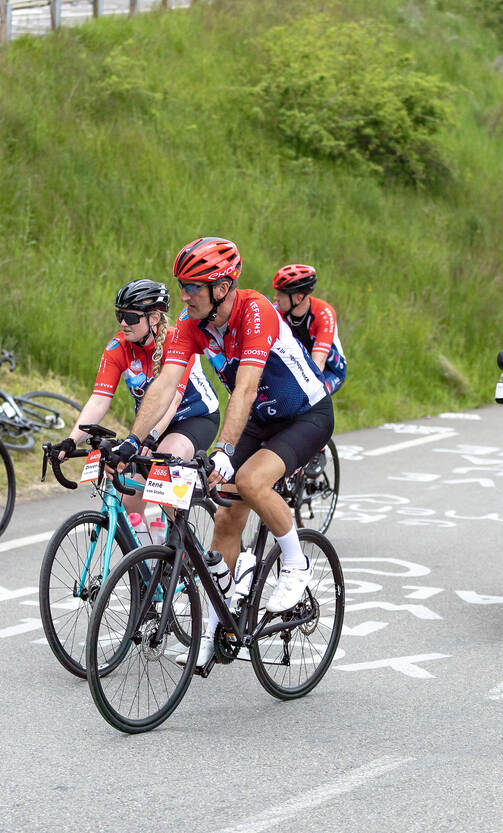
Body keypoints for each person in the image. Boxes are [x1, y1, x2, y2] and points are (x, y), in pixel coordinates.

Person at [108, 237, 333, 666]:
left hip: (305, 415)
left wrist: (225, 450)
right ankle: (214, 630)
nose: (183, 295)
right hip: (258, 419)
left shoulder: (256, 311)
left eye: (192, 287)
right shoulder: (190, 324)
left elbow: (245, 389)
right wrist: (134, 440)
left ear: (222, 288)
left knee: (249, 481)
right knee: (226, 515)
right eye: (182, 286)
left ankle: (296, 563)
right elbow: (165, 384)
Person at [56, 280, 220, 535]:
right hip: (149, 424)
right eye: (119, 315)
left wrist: (147, 438)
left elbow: (173, 401)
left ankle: (181, 548)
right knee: (129, 500)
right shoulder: (118, 347)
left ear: (154, 318)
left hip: (194, 417)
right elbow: (99, 399)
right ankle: (148, 555)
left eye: (131, 317)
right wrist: (71, 440)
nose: (123, 323)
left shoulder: (178, 341)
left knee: (165, 472)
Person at [271, 264, 348, 395]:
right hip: (298, 365)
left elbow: (318, 364)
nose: (276, 297)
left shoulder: (324, 313)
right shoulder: (277, 312)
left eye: (281, 294)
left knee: (311, 397)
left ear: (298, 298)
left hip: (329, 370)